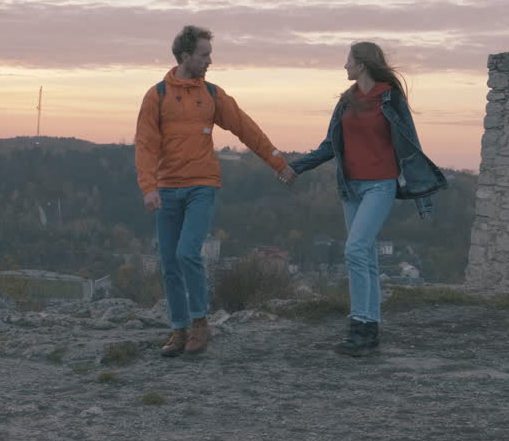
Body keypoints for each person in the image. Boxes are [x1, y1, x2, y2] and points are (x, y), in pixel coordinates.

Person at [135, 25, 297, 357]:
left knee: (187, 253)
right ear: (185, 56)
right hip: (167, 189)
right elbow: (146, 145)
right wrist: (149, 187)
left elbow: (245, 128)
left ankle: (200, 323)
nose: (210, 60)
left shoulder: (211, 94)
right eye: (204, 54)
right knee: (168, 262)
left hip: (202, 185)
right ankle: (178, 330)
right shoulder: (157, 96)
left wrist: (278, 162)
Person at [289, 42, 447, 357]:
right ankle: (370, 331)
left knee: (356, 249)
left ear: (361, 64)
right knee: (367, 258)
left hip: (380, 185)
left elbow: (410, 143)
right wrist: (295, 167)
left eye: (348, 60)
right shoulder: (346, 101)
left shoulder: (390, 97)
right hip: (351, 188)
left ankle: (358, 326)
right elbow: (330, 144)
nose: (345, 66)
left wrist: (421, 191)